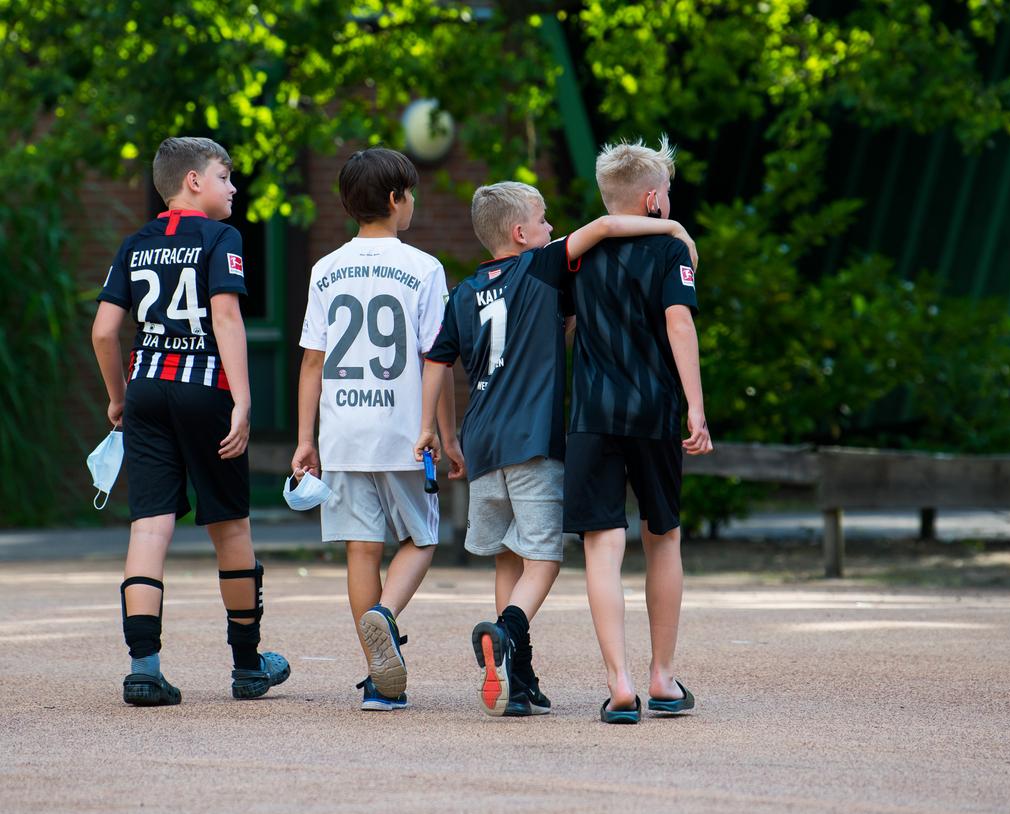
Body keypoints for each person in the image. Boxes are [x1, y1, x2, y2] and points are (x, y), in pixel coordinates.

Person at [414, 181, 697, 717]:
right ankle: (506, 630)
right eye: (544, 221)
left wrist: (435, 431)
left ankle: (518, 682)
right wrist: (672, 227)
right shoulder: (541, 267)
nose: (551, 228)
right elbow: (608, 227)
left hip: (480, 440)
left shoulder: (465, 291)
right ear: (522, 234)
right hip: (532, 440)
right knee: (543, 558)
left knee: (507, 556)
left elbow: (436, 360)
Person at [90, 136, 289, 706]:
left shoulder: (135, 244)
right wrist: (244, 402)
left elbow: (104, 331)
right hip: (205, 389)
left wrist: (118, 396)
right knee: (229, 523)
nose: (233, 188)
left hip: (147, 391)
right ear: (194, 182)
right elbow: (225, 316)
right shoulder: (221, 237)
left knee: (149, 527)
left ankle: (143, 668)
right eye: (225, 176)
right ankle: (249, 666)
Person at [292, 147, 464, 711]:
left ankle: (377, 683)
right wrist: (444, 432)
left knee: (361, 552)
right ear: (395, 199)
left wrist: (305, 439)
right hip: (402, 432)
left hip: (342, 434)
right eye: (410, 193)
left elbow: (312, 362)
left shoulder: (325, 269)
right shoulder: (424, 268)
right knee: (423, 537)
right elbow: (435, 359)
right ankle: (384, 617)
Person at [562, 137, 713, 724]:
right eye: (668, 194)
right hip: (653, 413)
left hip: (592, 417)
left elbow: (565, 324)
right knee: (663, 537)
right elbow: (679, 323)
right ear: (653, 199)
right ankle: (662, 676)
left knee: (602, 546)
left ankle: (619, 682)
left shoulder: (576, 253)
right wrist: (694, 408)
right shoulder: (669, 253)